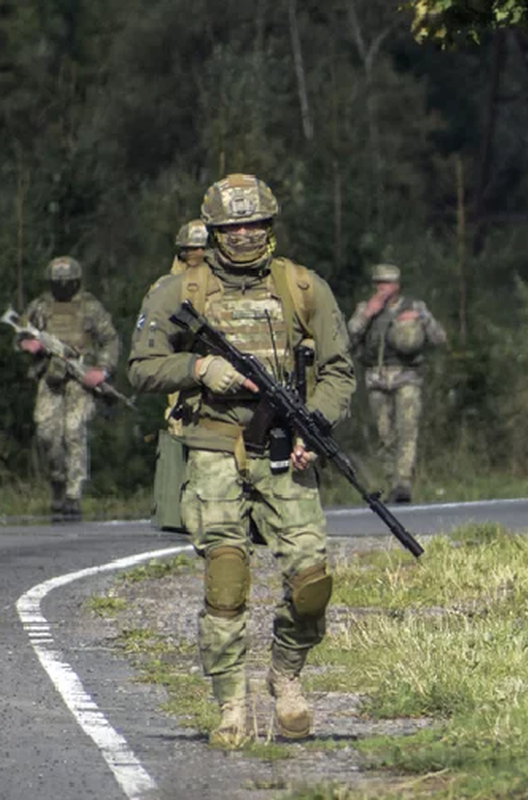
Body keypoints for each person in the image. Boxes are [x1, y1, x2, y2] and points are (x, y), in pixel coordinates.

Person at [127, 174, 355, 748]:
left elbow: (337, 371)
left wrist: (316, 423)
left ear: (271, 225)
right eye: (233, 227)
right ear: (215, 230)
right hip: (210, 448)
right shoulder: (180, 290)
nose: (246, 235)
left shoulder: (303, 287)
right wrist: (198, 370)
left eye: (256, 224)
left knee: (312, 582)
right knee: (226, 581)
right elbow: (141, 366)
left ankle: (286, 675)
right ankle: (232, 703)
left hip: (285, 447)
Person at [16, 256, 120, 521]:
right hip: (50, 377)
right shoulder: (40, 306)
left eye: (67, 283)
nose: (62, 287)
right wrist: (30, 345)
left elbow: (109, 340)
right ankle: (58, 482)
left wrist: (102, 370)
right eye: (57, 283)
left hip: (79, 379)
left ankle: (74, 493)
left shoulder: (90, 307)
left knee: (74, 431)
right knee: (46, 432)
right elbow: (21, 334)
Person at [347, 263, 447, 503]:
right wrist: (367, 314)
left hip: (407, 377)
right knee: (385, 434)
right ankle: (392, 479)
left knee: (408, 430)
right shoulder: (366, 309)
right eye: (380, 283)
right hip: (377, 379)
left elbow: (439, 338)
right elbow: (349, 336)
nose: (384, 288)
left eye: (388, 283)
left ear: (397, 285)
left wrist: (420, 320)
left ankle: (403, 483)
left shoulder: (415, 307)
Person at [151, 219, 211, 533]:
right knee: (179, 429)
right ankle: (179, 509)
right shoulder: (168, 286)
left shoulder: (222, 282)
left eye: (203, 249)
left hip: (217, 366)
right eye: (192, 250)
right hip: (181, 366)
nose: (198, 254)